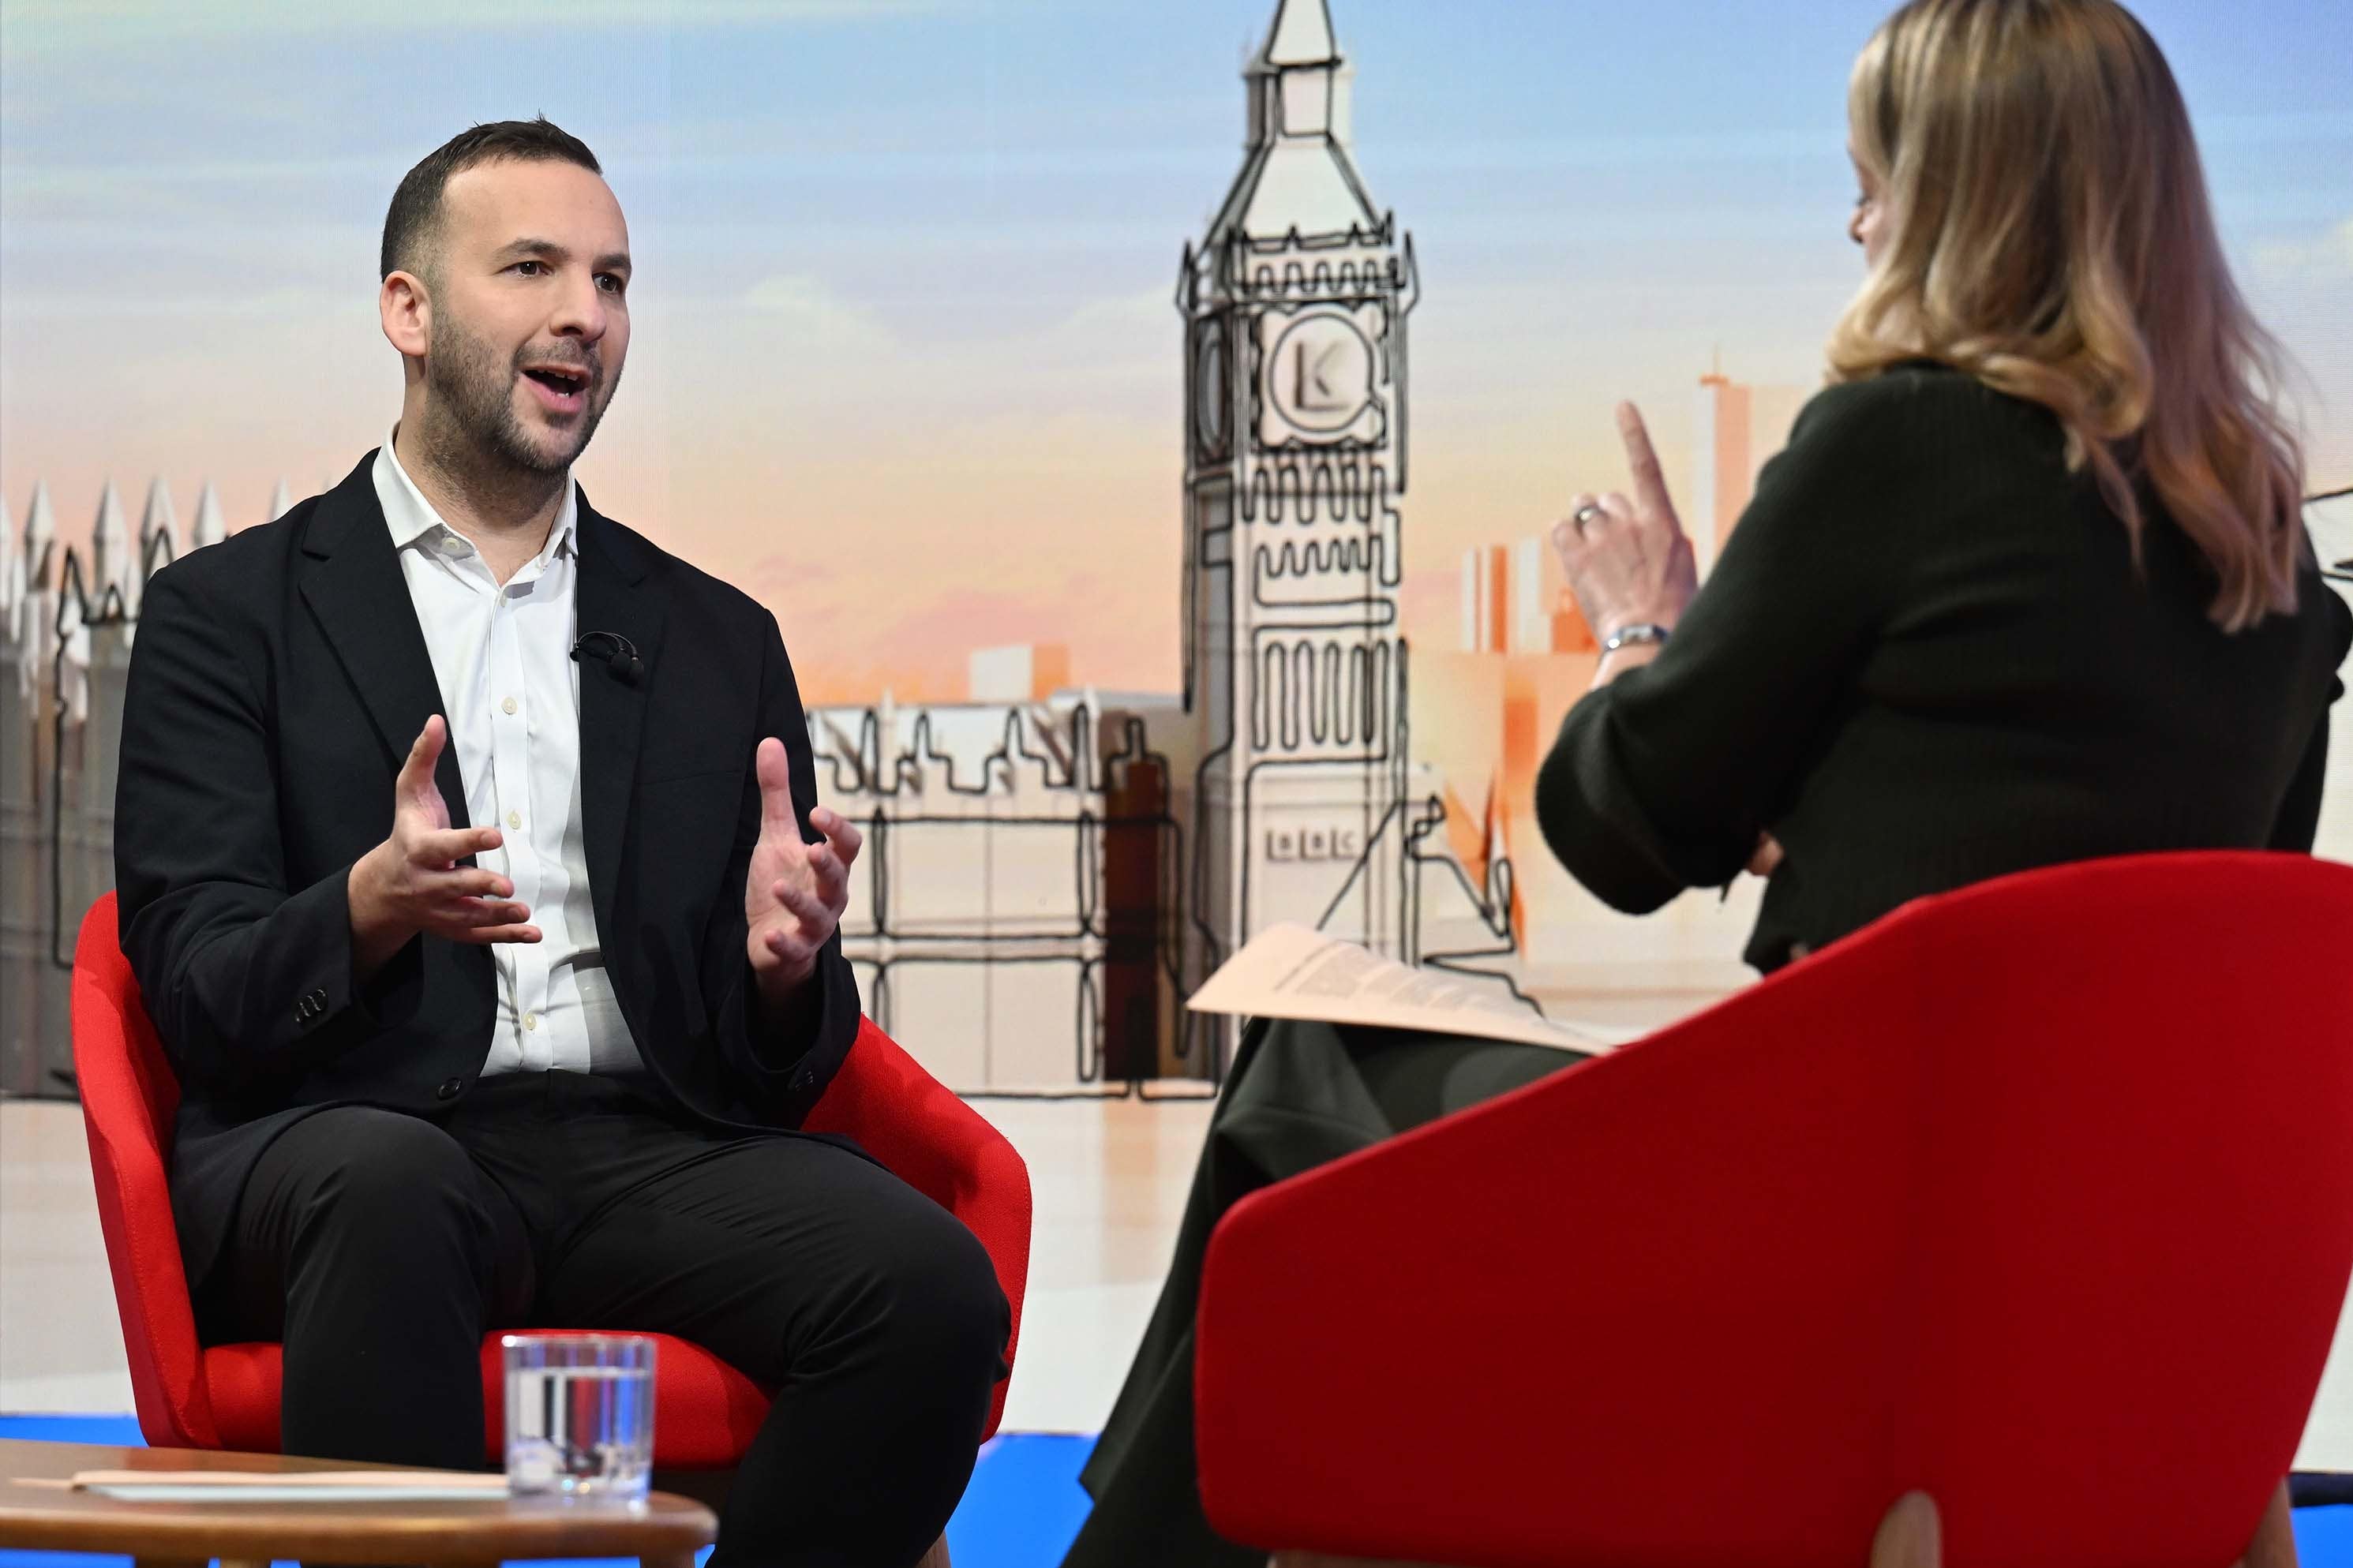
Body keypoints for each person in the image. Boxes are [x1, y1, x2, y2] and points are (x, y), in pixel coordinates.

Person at [1063, 1, 2351, 1563]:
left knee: (1305, 1054)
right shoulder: (2273, 564)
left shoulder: (1896, 443)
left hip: (1823, 1260)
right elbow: (2138, 911)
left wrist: (1641, 628)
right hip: (2086, 1309)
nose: (1857, 216)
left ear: (1960, 203)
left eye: (1878, 174)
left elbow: (1613, 828)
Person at [114, 118, 1007, 1568]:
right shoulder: (228, 617)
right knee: (388, 1190)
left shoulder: (717, 638)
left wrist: (783, 969)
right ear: (406, 311)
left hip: (635, 1146)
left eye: (611, 278)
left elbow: (779, 1065)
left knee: (928, 1285)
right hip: (350, 1130)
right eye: (529, 266)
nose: (582, 313)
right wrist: (367, 906)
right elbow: (193, 988)